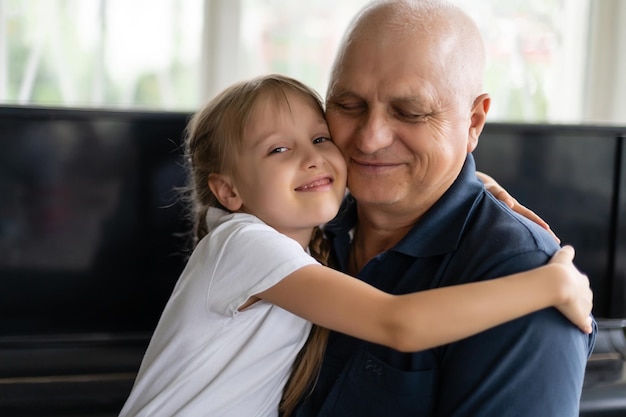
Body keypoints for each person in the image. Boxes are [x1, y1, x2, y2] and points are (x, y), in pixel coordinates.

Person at [118, 74, 592, 417]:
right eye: (278, 149)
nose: (312, 159)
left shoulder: (307, 232)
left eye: (320, 138)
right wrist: (552, 284)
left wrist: (477, 184)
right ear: (229, 192)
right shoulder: (245, 245)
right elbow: (398, 323)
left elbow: (394, 180)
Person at [293, 1, 597, 417]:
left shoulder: (525, 282)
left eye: (411, 112)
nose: (369, 139)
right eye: (349, 105)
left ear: (473, 122)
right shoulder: (299, 222)